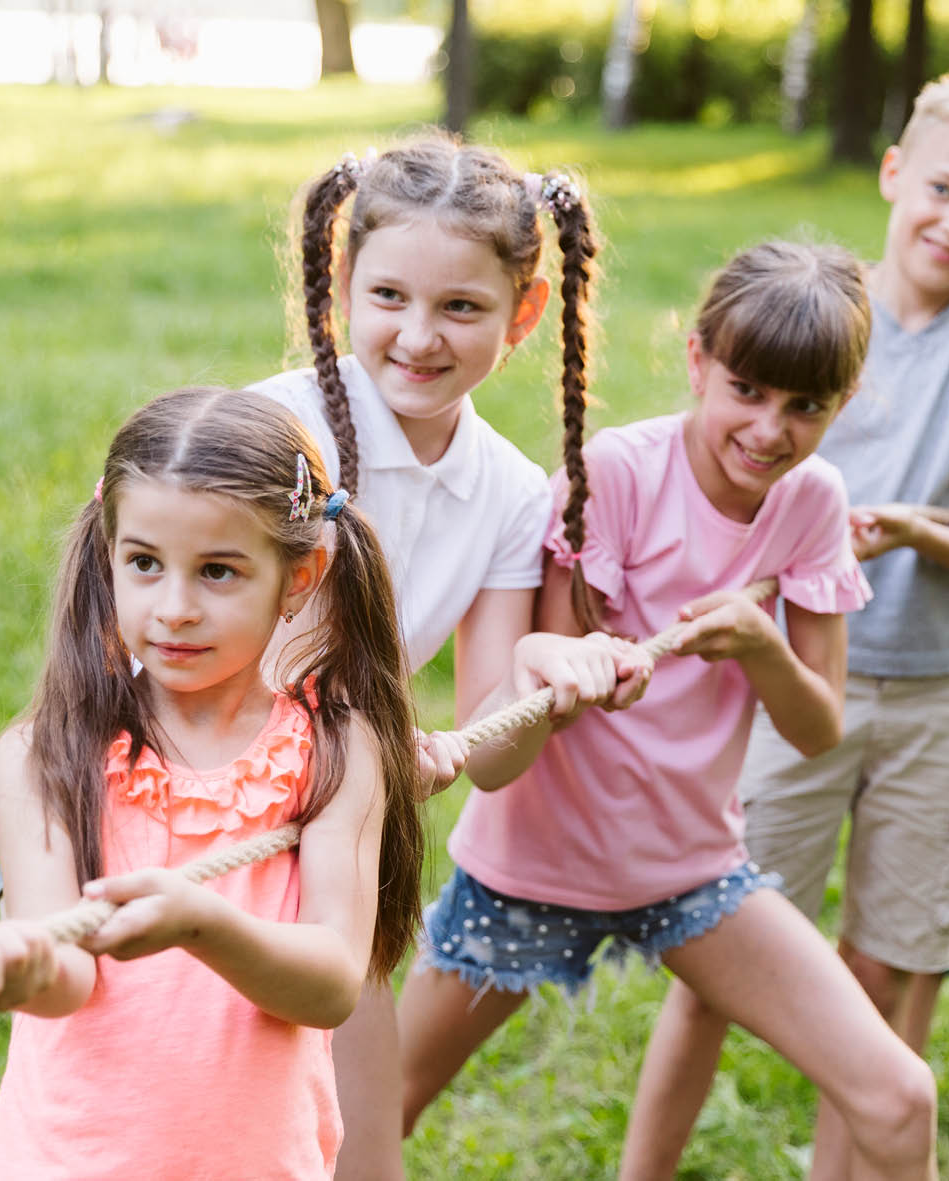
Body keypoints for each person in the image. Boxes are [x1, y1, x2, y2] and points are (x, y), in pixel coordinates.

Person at [399, 239, 940, 1180]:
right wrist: (571, 668)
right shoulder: (613, 472)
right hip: (531, 866)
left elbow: (817, 730)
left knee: (900, 1095)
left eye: (804, 406)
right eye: (748, 390)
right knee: (368, 1106)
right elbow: (523, 724)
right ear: (698, 361)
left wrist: (759, 643)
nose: (769, 429)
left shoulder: (810, 501)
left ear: (841, 405)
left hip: (690, 871)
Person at [249, 134, 649, 1180]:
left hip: (344, 845)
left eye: (461, 308)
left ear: (522, 314)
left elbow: (492, 747)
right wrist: (378, 742)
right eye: (387, 295)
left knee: (356, 1150)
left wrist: (551, 680)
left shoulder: (512, 494)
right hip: (204, 814)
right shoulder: (275, 433)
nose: (417, 337)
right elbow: (211, 665)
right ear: (342, 286)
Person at [0, 387, 426, 1179]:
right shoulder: (47, 753)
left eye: (218, 571)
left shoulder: (335, 750)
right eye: (143, 563)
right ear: (108, 554)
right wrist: (19, 967)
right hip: (68, 1162)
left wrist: (203, 924)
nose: (174, 608)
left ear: (299, 574)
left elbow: (334, 980)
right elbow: (65, 972)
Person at [721, 71, 949, 1179]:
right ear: (891, 173)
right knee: (731, 940)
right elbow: (739, 478)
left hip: (936, 687)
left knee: (888, 961)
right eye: (941, 190)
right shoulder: (820, 317)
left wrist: (913, 527)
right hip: (801, 680)